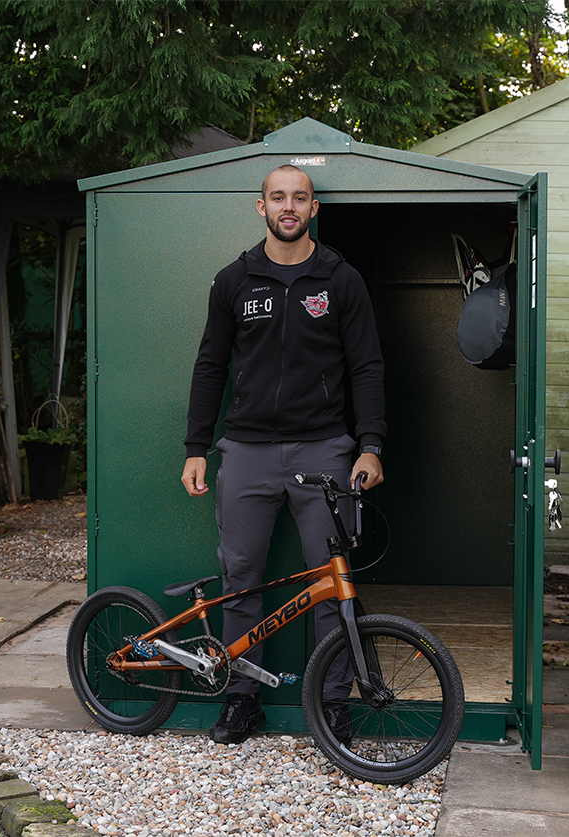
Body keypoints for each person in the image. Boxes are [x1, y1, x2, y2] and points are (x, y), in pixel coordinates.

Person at [182, 164, 386, 745]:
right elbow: (210, 367)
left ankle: (332, 705)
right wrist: (197, 447)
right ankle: (243, 699)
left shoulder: (340, 280)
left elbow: (367, 367)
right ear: (261, 207)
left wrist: (370, 445)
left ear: (314, 208)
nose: (288, 207)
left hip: (324, 450)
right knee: (240, 577)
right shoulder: (234, 281)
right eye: (278, 198)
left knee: (331, 580)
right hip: (244, 450)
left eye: (299, 197)